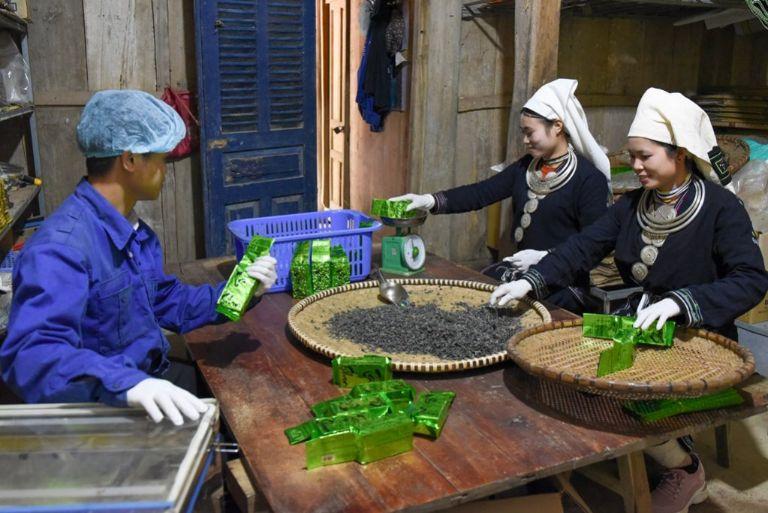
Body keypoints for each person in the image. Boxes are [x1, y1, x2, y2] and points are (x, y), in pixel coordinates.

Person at [491, 87, 768, 513]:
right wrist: (532, 280)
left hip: (700, 336)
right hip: (641, 320)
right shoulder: (633, 206)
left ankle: (685, 468)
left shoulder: (719, 209)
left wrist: (680, 303)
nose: (635, 166)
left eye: (645, 156)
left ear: (679, 154)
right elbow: (583, 246)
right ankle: (599, 454)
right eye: (631, 156)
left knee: (620, 394)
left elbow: (751, 281)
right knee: (564, 370)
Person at [0, 90, 278, 426]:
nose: (166, 169)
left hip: (149, 378)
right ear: (130, 160)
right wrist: (129, 385)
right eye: (161, 159)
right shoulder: (60, 249)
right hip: (106, 407)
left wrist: (241, 290)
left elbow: (164, 300)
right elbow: (30, 356)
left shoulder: (135, 231)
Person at [391, 79, 611, 313]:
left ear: (557, 126)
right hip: (522, 275)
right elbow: (481, 192)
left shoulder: (588, 180)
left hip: (564, 283)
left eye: (530, 132)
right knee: (473, 299)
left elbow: (593, 247)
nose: (525, 140)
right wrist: (430, 201)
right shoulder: (527, 168)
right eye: (523, 133)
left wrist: (544, 257)